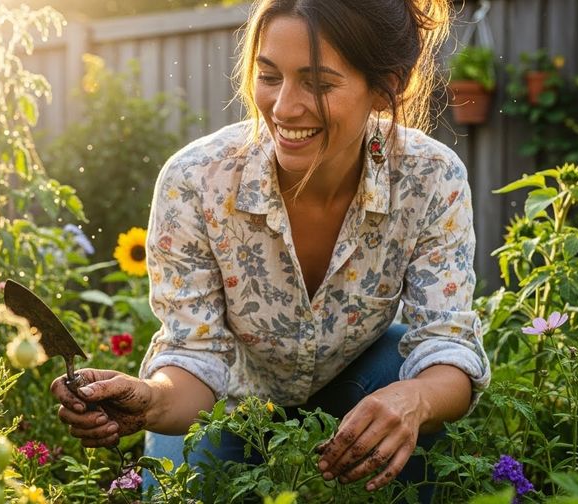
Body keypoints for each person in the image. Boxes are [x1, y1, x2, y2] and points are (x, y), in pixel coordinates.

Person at [51, 0, 491, 500]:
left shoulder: (430, 178)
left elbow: (446, 344)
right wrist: (150, 399)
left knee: (402, 368)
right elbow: (196, 358)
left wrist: (414, 400)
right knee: (185, 488)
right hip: (230, 402)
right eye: (269, 75)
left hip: (357, 386)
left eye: (318, 83)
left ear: (386, 87)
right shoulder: (196, 180)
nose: (283, 107)